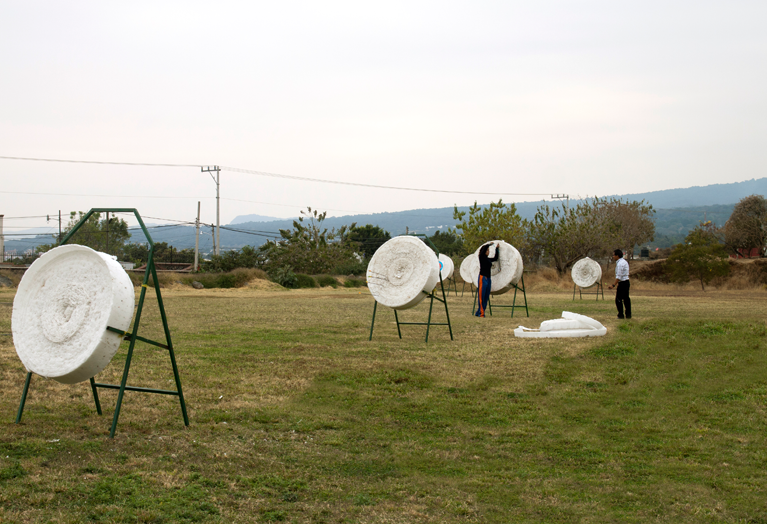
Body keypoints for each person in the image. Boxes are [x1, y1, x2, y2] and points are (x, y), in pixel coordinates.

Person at [475, 242, 499, 317]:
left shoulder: (488, 259)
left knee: (486, 296)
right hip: (483, 278)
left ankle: (479, 311)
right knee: (482, 296)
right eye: (487, 250)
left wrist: (497, 249)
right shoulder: (481, 257)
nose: (488, 251)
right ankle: (481, 313)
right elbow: (483, 249)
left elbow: (495, 258)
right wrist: (489, 244)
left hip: (488, 278)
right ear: (484, 251)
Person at [607, 248, 631, 319]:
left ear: (617, 256)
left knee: (618, 299)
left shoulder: (620, 264)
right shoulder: (624, 262)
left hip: (623, 283)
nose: (613, 256)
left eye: (613, 255)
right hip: (626, 282)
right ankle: (628, 315)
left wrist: (613, 285)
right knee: (626, 299)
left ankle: (621, 315)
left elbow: (619, 276)